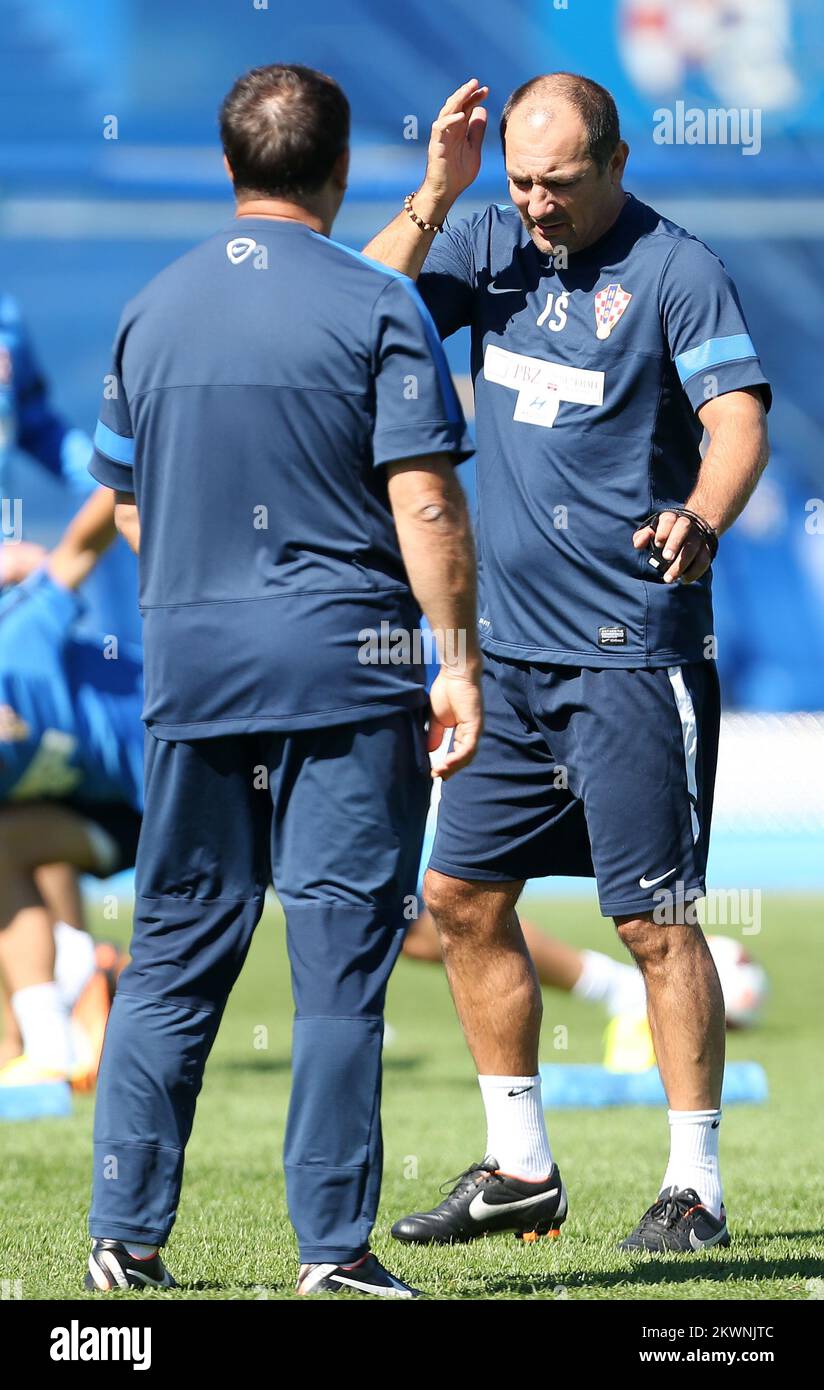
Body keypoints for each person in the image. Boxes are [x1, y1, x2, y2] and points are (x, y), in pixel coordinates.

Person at [84, 63, 481, 1298]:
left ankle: (123, 1237)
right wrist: (456, 659)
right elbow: (422, 495)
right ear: (339, 167)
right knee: (337, 968)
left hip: (193, 669)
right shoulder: (373, 306)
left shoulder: (150, 309)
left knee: (170, 957)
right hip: (347, 673)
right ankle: (331, 1254)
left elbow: (128, 506)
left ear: (227, 166)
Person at [364, 72, 770, 1253]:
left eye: (558, 182)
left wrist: (698, 515)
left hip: (629, 659)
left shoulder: (677, 271)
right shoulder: (483, 240)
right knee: (457, 899)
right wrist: (440, 189)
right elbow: (357, 305)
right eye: (520, 180)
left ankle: (692, 1184)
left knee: (652, 919)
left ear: (616, 162)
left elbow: (737, 416)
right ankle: (519, 1166)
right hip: (508, 662)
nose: (534, 204)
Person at [0, 488, 139, 1093]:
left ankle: (89, 970)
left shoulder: (21, 637)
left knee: (399, 927)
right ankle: (49, 1049)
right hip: (131, 820)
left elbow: (83, 546)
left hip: (209, 774)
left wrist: (125, 461)